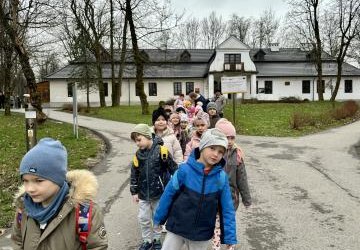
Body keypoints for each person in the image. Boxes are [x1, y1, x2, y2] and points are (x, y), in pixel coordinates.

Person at [11, 138, 108, 250]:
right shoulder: (23, 208)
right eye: (25, 181)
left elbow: (97, 246)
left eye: (38, 181)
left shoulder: (84, 213)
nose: (30, 189)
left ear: (58, 179)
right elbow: (17, 242)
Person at [153, 128, 237, 250]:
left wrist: (230, 237)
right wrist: (159, 218)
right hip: (177, 227)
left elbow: (227, 209)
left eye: (220, 151)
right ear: (202, 146)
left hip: (202, 234)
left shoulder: (221, 178)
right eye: (212, 148)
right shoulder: (184, 170)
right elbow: (168, 194)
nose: (216, 154)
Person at [130, 124, 178, 250]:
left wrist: (177, 186)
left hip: (159, 193)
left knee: (157, 217)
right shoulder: (138, 155)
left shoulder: (162, 151)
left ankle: (156, 238)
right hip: (143, 194)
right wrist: (134, 191)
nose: (137, 143)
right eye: (135, 141)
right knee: (143, 218)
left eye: (139, 139)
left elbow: (174, 169)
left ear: (147, 136)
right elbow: (134, 173)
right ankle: (147, 240)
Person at [212, 119, 252, 250]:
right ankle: (216, 246)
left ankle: (230, 246)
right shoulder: (212, 154)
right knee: (216, 224)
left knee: (229, 224)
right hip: (214, 197)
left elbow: (242, 179)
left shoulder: (238, 155)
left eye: (232, 138)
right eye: (225, 137)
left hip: (231, 198)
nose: (229, 141)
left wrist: (247, 200)